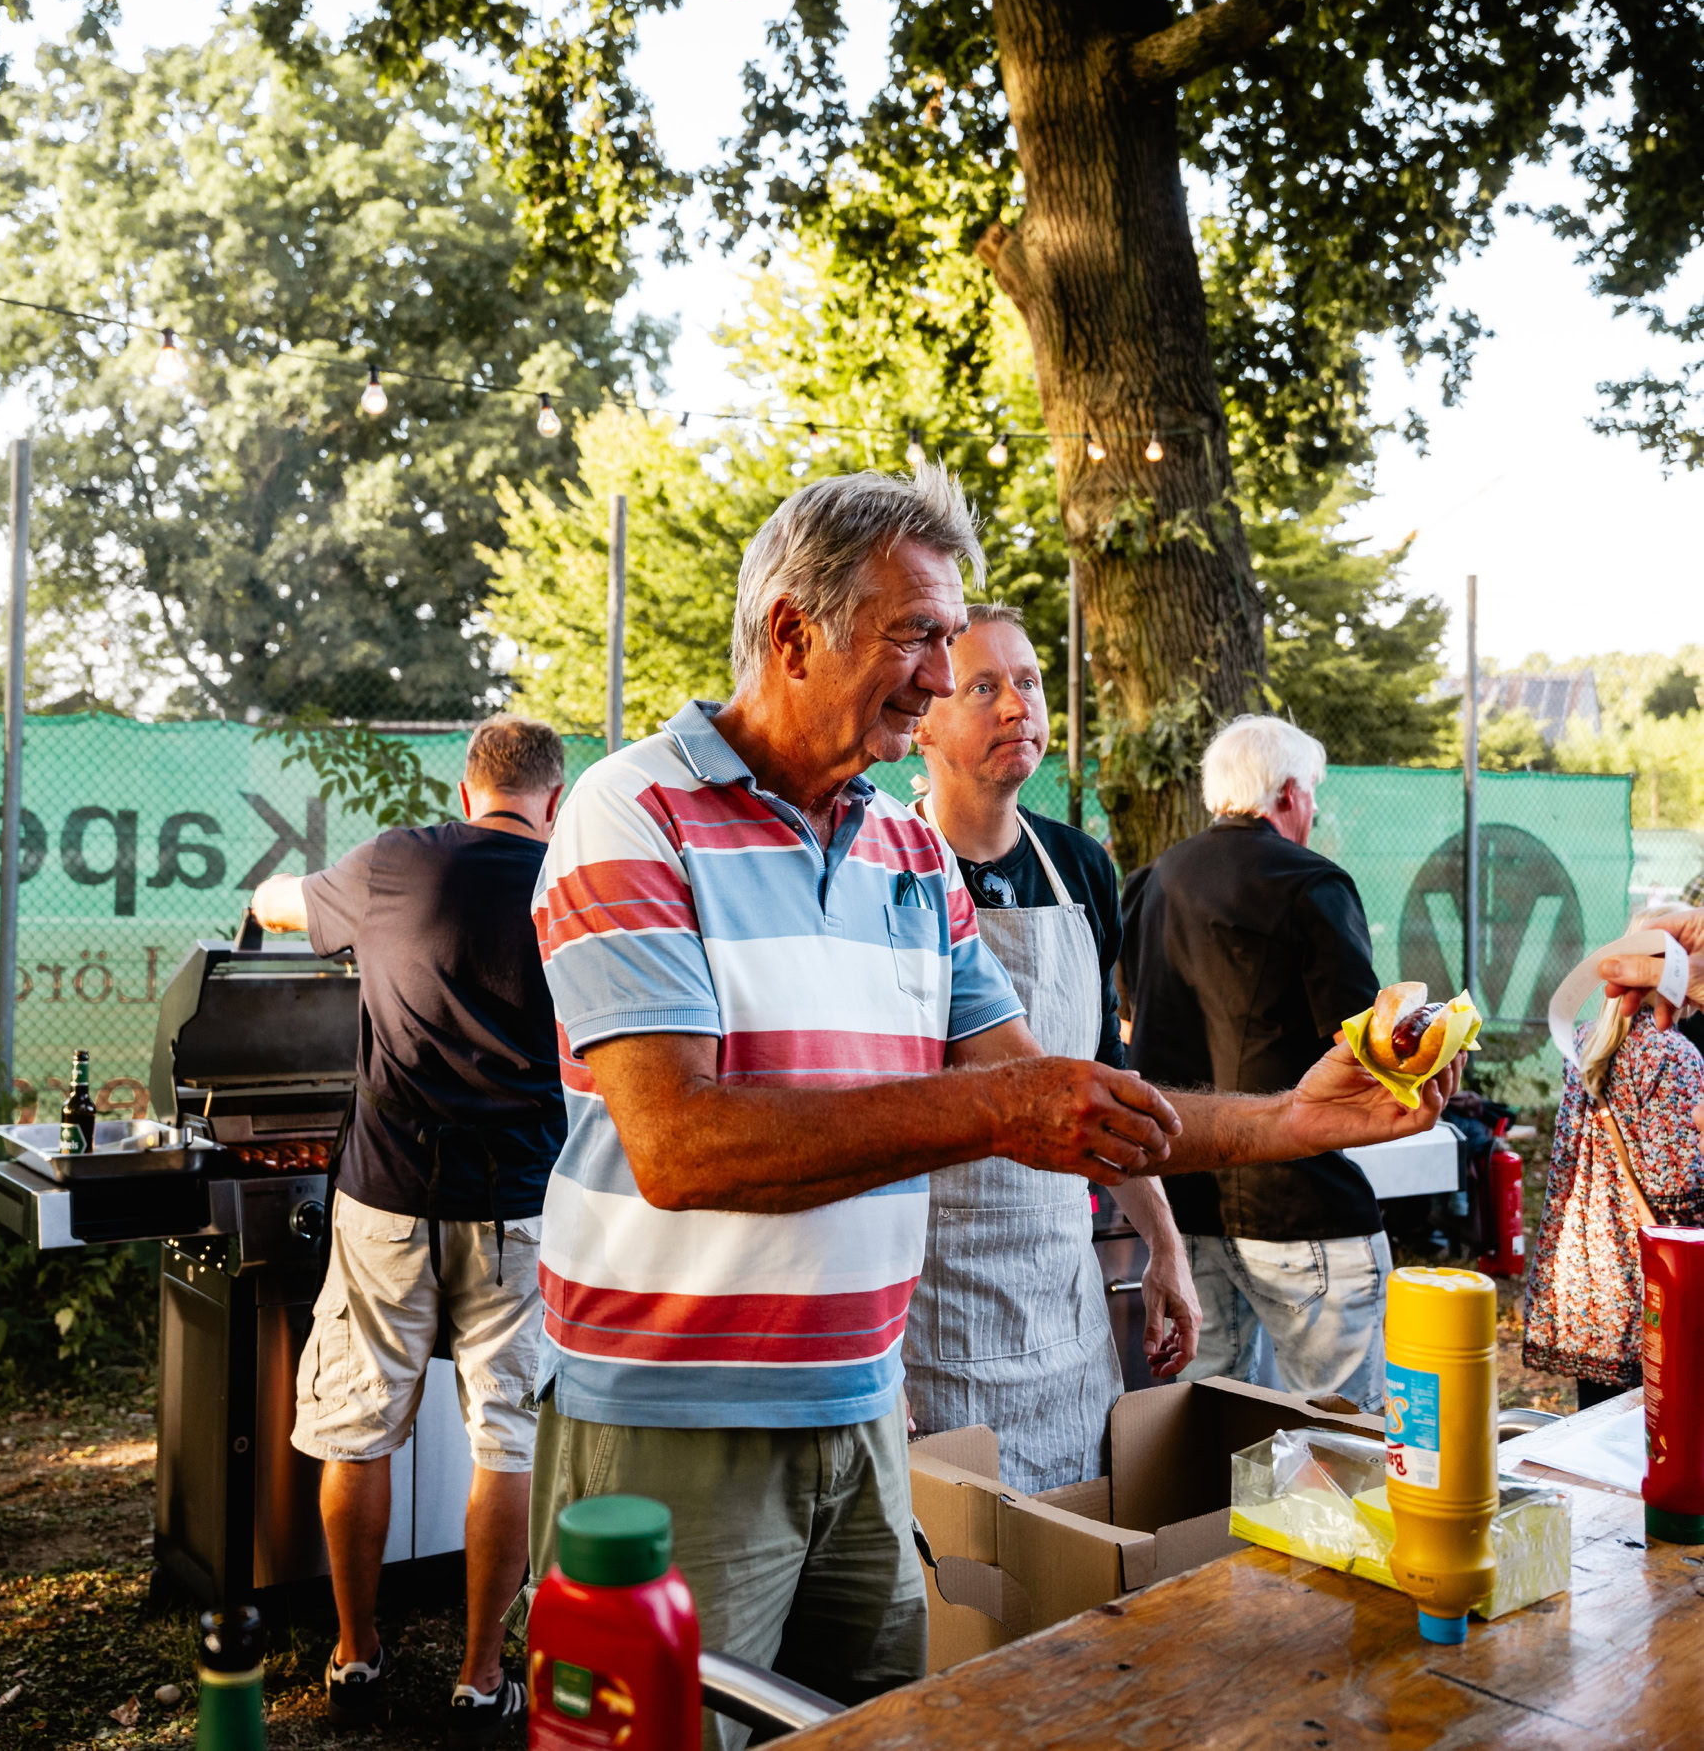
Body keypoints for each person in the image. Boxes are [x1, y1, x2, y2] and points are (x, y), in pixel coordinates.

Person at [526, 466, 1458, 1749]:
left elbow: (1067, 1104)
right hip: (675, 1424)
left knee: (878, 1730)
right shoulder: (632, 812)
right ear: (793, 632)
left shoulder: (907, 853)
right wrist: (1001, 1108)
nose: (937, 671)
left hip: (864, 1413)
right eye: (916, 635)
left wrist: (1297, 1123)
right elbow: (681, 1146)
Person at [251, 714, 569, 1730]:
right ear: (554, 800)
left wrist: (260, 902)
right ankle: (480, 1676)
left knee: (359, 1424)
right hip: (520, 1204)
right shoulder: (575, 878)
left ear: (467, 789)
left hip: (388, 1197)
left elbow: (282, 903)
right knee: (506, 1438)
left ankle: (356, 1654)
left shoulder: (398, 862)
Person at [904, 603, 1199, 1491]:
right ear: (922, 719)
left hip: (1062, 1297)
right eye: (982, 687)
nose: (1016, 705)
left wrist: (1165, 1244)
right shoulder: (888, 868)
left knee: (1079, 1542)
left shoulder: (1083, 868)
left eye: (1028, 682)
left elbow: (1106, 1081)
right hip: (928, 1309)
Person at [1119, 714, 1392, 1410]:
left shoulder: (1149, 884)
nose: (1313, 810)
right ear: (1291, 793)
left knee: (1211, 1429)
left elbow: (1129, 1028)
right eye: (1312, 795)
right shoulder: (1313, 883)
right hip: (1301, 1208)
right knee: (1340, 1435)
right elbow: (1361, 1048)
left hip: (1185, 1206)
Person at [1524, 915, 1704, 1409]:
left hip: (1589, 1270)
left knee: (1598, 1424)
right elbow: (1675, 1185)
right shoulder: (1672, 1055)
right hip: (1648, 1280)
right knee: (1659, 1425)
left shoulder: (1584, 1040)